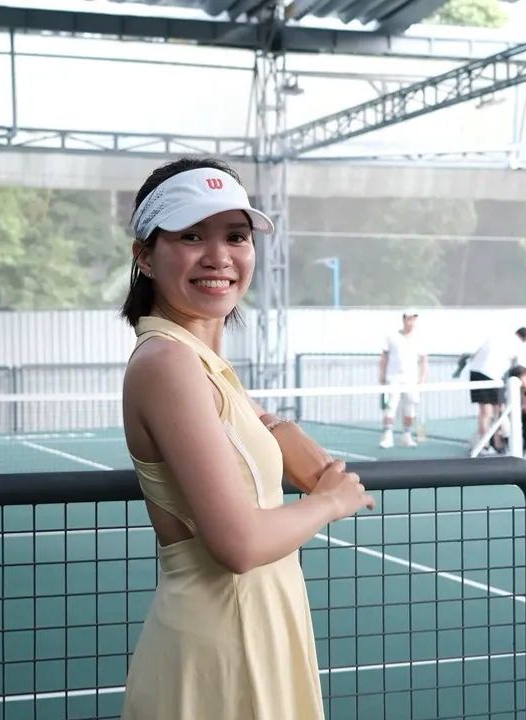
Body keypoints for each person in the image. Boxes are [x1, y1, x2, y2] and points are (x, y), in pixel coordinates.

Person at [118, 156, 376, 720]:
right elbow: (238, 544)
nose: (219, 257)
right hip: (222, 644)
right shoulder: (168, 364)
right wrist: (330, 503)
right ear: (145, 255)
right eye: (192, 235)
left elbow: (290, 448)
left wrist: (283, 435)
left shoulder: (200, 364)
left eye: (236, 236)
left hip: (257, 626)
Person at [465, 327, 526, 454]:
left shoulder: (499, 336)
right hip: (492, 375)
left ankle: (488, 445)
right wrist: (524, 396)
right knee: (497, 411)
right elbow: (522, 372)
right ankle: (494, 444)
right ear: (525, 339)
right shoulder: (519, 346)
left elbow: (475, 354)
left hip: (475, 371)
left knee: (486, 411)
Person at [379, 308, 427, 449]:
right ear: (404, 320)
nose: (411, 322)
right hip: (393, 378)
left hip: (411, 379)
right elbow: (384, 356)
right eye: (409, 319)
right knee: (390, 407)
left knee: (410, 408)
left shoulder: (420, 338)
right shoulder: (392, 336)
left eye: (414, 319)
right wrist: (382, 374)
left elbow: (424, 359)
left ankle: (407, 435)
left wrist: (422, 377)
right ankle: (387, 435)